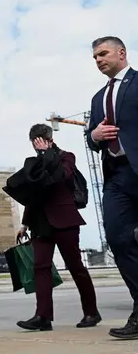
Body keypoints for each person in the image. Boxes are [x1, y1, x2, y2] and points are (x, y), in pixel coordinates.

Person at [10, 124, 100, 331]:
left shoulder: (66, 157)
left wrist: (46, 154)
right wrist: (24, 224)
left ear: (50, 140)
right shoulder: (33, 163)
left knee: (76, 267)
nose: (37, 147)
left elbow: (63, 176)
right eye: (34, 144)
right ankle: (43, 316)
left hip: (64, 219)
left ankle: (91, 312)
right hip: (40, 222)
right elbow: (31, 195)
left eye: (41, 142)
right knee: (40, 267)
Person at [86, 36, 138, 340]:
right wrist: (94, 134)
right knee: (119, 240)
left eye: (103, 53)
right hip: (116, 176)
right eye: (94, 57)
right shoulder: (96, 99)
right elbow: (92, 143)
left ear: (122, 53)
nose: (98, 60)